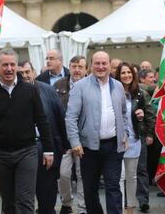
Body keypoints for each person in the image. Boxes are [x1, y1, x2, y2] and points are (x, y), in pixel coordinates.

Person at [0, 49, 54, 214]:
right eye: (5, 64)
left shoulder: (30, 90)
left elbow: (42, 120)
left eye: (12, 64)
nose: (9, 68)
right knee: (9, 202)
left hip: (26, 152)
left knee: (25, 201)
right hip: (0, 155)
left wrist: (49, 150)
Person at [66, 51, 129, 214]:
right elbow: (71, 117)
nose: (101, 67)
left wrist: (125, 134)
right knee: (90, 189)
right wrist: (75, 142)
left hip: (114, 145)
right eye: (97, 63)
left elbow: (123, 113)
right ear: (91, 65)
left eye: (104, 63)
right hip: (88, 147)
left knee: (114, 186)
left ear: (109, 65)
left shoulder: (118, 86)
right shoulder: (80, 86)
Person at [18, 60, 67, 214]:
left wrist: (64, 148)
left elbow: (60, 118)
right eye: (21, 73)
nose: (25, 76)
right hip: (21, 150)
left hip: (46, 149)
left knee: (47, 196)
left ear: (33, 72)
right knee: (23, 200)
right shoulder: (11, 94)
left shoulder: (48, 91)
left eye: (27, 72)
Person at [115, 62, 155, 214]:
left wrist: (149, 132)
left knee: (137, 173)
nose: (126, 76)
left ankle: (138, 204)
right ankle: (120, 206)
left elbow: (151, 114)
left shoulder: (140, 93)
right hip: (118, 140)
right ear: (118, 76)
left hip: (137, 138)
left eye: (129, 73)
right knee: (120, 176)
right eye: (123, 73)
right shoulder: (113, 92)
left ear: (134, 74)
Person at [54, 55, 87, 214]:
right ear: (69, 67)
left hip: (85, 138)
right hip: (64, 138)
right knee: (63, 174)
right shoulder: (59, 85)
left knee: (82, 175)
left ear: (86, 69)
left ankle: (82, 208)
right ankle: (66, 203)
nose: (77, 70)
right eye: (74, 66)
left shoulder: (91, 85)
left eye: (80, 66)